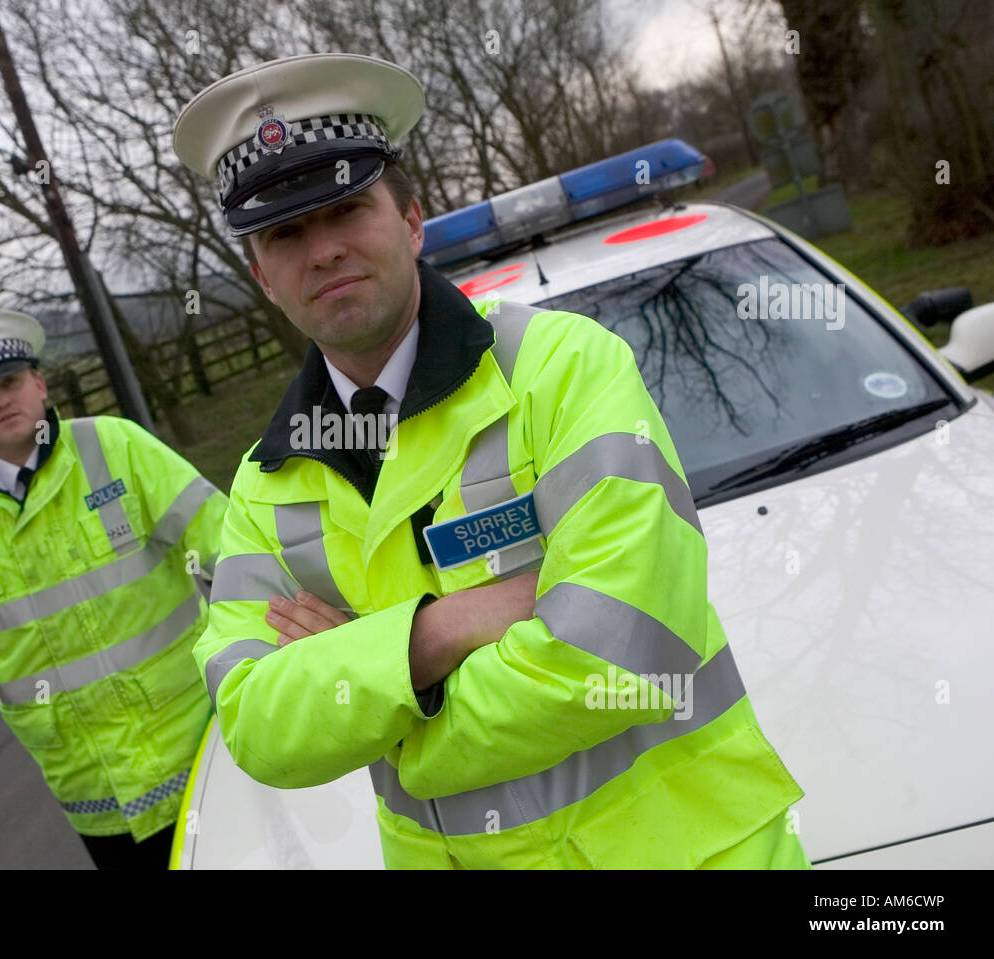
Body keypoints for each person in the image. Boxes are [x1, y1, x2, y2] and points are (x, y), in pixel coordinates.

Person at [174, 53, 809, 869]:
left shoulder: (566, 369)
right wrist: (433, 634)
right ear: (262, 275)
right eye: (285, 233)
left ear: (410, 222)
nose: (322, 250)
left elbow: (618, 648)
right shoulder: (266, 488)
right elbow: (256, 727)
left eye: (346, 210)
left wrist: (388, 719)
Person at [0, 309, 227, 869]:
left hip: (207, 754)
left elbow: (228, 548)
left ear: (39, 383)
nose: (1, 400)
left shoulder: (116, 447)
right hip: (96, 800)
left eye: (10, 381)